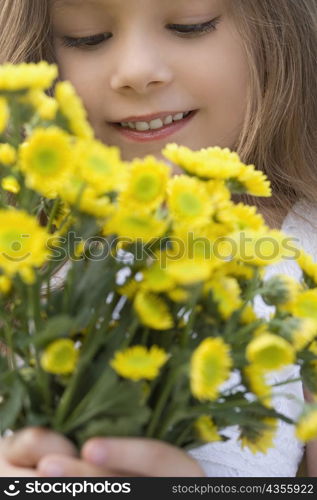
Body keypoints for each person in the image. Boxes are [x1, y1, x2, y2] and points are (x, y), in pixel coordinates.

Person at [0, 0, 316, 477]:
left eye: (192, 24)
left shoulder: (301, 271)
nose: (137, 72)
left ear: (280, 29)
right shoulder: (19, 252)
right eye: (86, 37)